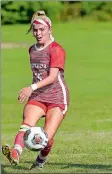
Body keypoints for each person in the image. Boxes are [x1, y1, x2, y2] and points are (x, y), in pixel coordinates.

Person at [2, 10, 69, 170]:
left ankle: (40, 162)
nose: (38, 33)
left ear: (49, 30)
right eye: (35, 30)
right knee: (26, 125)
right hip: (38, 96)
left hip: (57, 98)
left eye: (42, 30)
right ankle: (15, 153)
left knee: (46, 139)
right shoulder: (32, 50)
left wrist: (30, 88)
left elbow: (53, 77)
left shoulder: (56, 49)